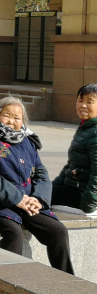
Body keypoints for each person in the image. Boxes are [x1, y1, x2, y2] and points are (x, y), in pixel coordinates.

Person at [0, 97, 74, 274]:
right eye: (7, 115)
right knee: (13, 232)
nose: (12, 121)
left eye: (17, 118)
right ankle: (10, 281)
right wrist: (18, 198)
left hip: (25, 201)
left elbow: (40, 172)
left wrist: (38, 199)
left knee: (57, 231)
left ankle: (67, 281)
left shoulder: (27, 140)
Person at [52, 84, 97, 214]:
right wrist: (52, 186)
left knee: (33, 198)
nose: (83, 105)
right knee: (38, 191)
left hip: (83, 194)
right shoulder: (86, 127)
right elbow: (71, 165)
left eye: (90, 102)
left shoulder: (94, 132)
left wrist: (89, 203)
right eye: (80, 100)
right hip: (74, 186)